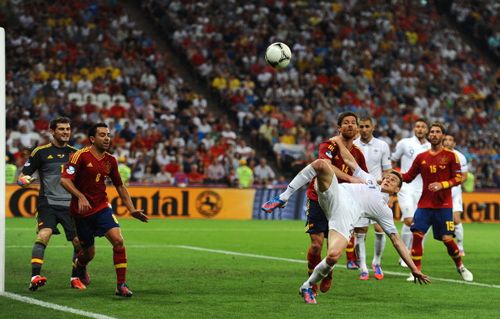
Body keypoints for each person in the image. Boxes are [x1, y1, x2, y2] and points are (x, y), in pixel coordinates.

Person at [263, 135, 430, 304]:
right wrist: (338, 141)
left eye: (393, 180)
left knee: (333, 256)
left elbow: (396, 241)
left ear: (396, 190)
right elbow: (350, 161)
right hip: (335, 195)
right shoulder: (370, 180)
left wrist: (413, 268)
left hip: (344, 217)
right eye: (388, 177)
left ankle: (307, 286)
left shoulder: (384, 212)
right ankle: (283, 197)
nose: (388, 179)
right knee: (321, 164)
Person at [262, 112, 368, 295]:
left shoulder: (358, 154)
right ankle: (311, 282)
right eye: (346, 123)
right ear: (339, 128)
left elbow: (364, 178)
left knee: (332, 248)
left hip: (340, 203)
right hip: (318, 197)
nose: (350, 125)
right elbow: (326, 166)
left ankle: (328, 272)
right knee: (316, 244)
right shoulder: (329, 145)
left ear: (357, 129)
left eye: (353, 123)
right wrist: (351, 179)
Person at [60, 123, 149, 297]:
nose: (107, 138)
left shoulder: (111, 160)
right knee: (88, 254)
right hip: (81, 213)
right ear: (92, 139)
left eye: (108, 134)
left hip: (102, 208)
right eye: (102, 135)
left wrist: (131, 209)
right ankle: (80, 265)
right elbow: (65, 180)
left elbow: (120, 186)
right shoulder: (79, 156)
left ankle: (121, 285)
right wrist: (80, 196)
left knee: (118, 241)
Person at [17, 117, 86, 291]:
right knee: (44, 235)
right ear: (52, 131)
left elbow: (84, 179)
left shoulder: (76, 154)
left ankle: (75, 277)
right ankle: (35, 276)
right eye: (62, 129)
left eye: (68, 129)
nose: (66, 132)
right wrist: (24, 180)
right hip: (47, 202)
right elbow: (23, 175)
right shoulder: (40, 152)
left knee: (79, 243)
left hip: (70, 204)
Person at [401, 122, 473, 282]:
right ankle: (416, 271)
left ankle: (460, 266)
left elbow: (458, 178)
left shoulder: (451, 156)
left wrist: (442, 184)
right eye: (432, 132)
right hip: (424, 205)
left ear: (442, 135)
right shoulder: (421, 157)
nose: (434, 134)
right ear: (429, 135)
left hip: (443, 206)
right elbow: (408, 176)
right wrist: (393, 176)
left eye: (437, 131)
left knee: (447, 239)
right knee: (417, 235)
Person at [352, 117, 392, 280]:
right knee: (360, 232)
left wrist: (387, 188)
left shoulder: (382, 146)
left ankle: (376, 263)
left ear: (373, 127)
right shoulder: (353, 145)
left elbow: (387, 170)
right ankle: (363, 268)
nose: (363, 129)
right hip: (359, 191)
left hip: (378, 192)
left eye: (367, 126)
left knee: (380, 229)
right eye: (361, 126)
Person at [390, 118, 430, 267]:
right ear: (414, 128)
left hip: (423, 188)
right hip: (406, 186)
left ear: (427, 130)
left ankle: (415, 251)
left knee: (422, 223)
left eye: (423, 127)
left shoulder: (430, 147)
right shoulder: (404, 143)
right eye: (417, 126)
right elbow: (393, 161)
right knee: (409, 220)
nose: (420, 129)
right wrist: (394, 179)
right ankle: (404, 254)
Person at [442, 134, 468, 256]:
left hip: (454, 192)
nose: (448, 142)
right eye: (445, 140)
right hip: (440, 192)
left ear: (454, 143)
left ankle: (460, 246)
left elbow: (465, 176)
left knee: (456, 219)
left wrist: (452, 183)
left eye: (450, 140)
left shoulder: (460, 157)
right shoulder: (437, 155)